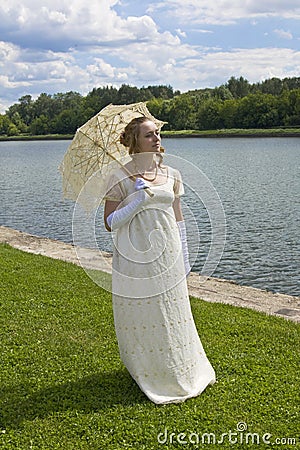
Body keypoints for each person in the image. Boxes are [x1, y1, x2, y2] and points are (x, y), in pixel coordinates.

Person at [104, 116, 215, 404]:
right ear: (134, 142)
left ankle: (180, 366)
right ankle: (148, 369)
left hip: (169, 253)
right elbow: (109, 222)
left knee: (173, 310)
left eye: (157, 134)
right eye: (149, 135)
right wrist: (136, 200)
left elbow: (178, 218)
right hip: (136, 256)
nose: (157, 139)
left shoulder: (173, 174)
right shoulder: (119, 177)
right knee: (147, 313)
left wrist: (186, 256)